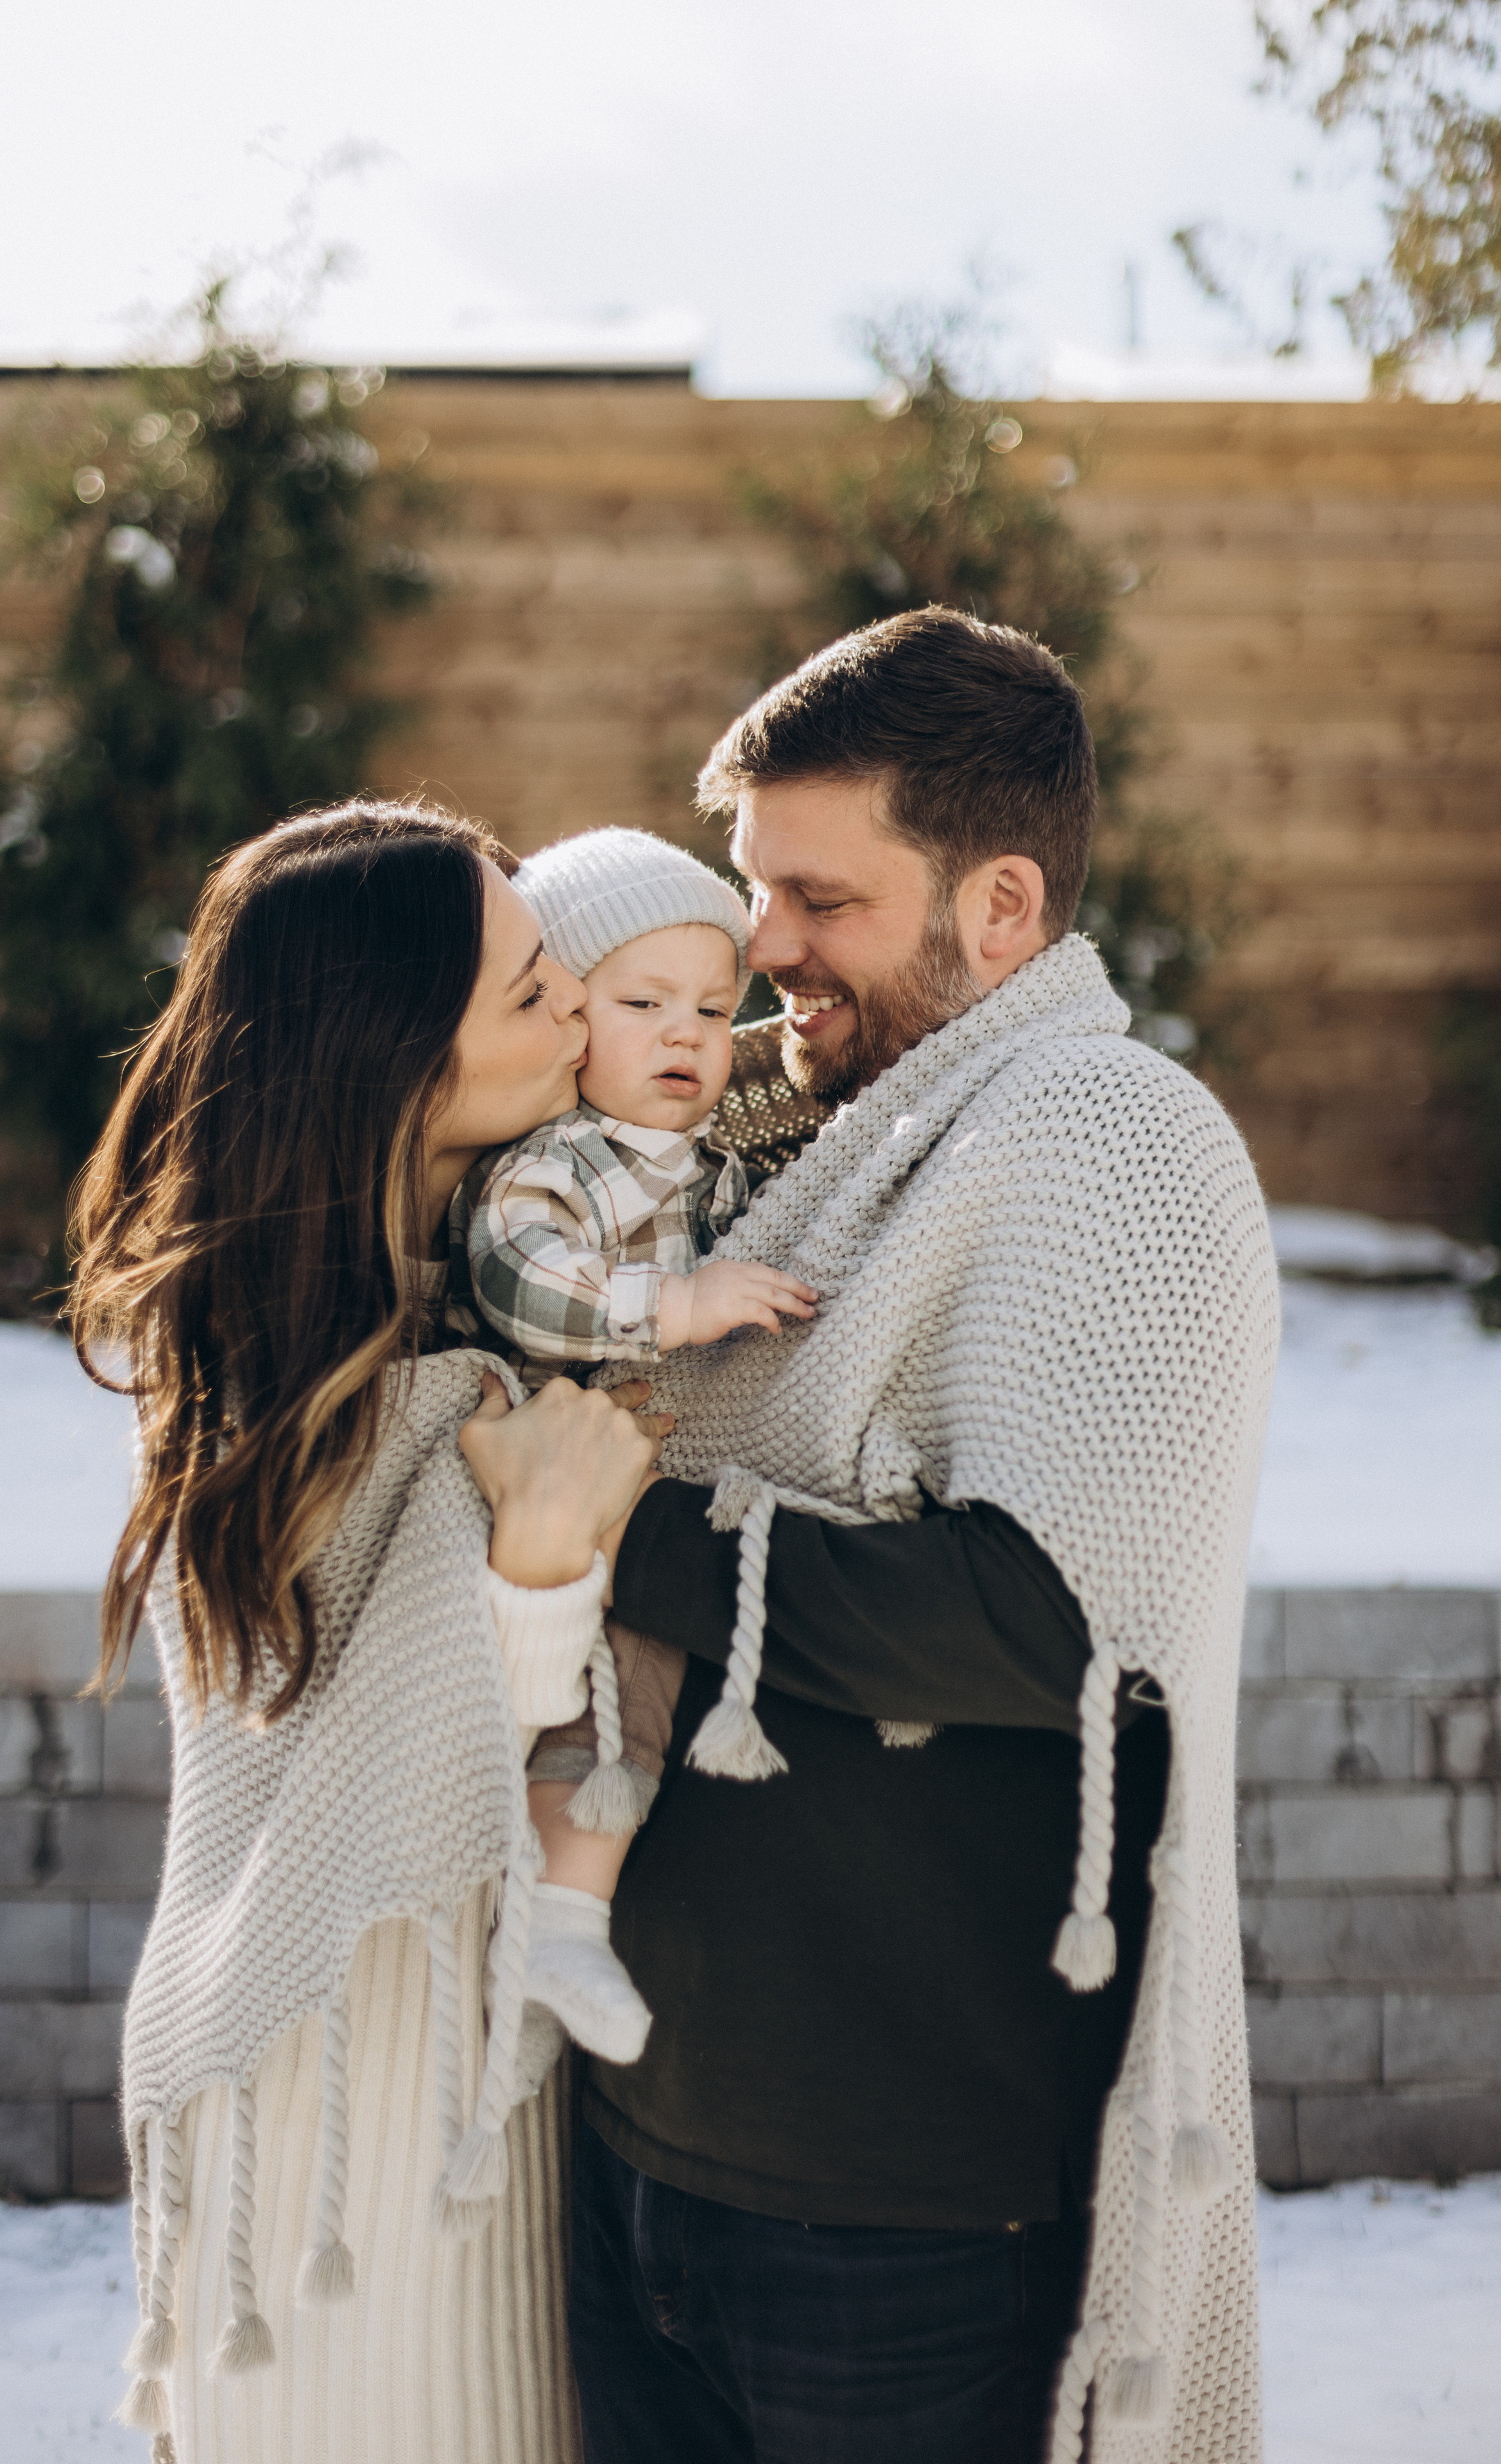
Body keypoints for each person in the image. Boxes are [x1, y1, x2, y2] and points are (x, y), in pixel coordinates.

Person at [558, 608, 1282, 2464]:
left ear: (1002, 907)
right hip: (640, 2137)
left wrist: (608, 1519)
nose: (762, 947)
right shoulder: (772, 1141)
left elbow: (1055, 1623)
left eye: (823, 899)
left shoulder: (1112, 1138)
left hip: (909, 2217)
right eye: (755, 890)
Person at [75, 800, 664, 2464]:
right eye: (531, 990)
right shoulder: (276, 1365)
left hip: (468, 2052)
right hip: (344, 2081)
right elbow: (349, 1765)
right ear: (395, 1061)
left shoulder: (479, 1290)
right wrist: (537, 1560)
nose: (579, 1006)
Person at [449, 827, 816, 2087]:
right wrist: (675, 1305)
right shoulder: (556, 1160)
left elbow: (790, 1131)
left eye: (712, 1010)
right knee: (573, 1704)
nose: (686, 1037)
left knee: (633, 1709)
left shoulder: (706, 1156)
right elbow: (515, 1277)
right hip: (556, 1482)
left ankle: (563, 1924)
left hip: (650, 1501)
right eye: (643, 1004)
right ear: (565, 1016)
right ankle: (545, 1926)